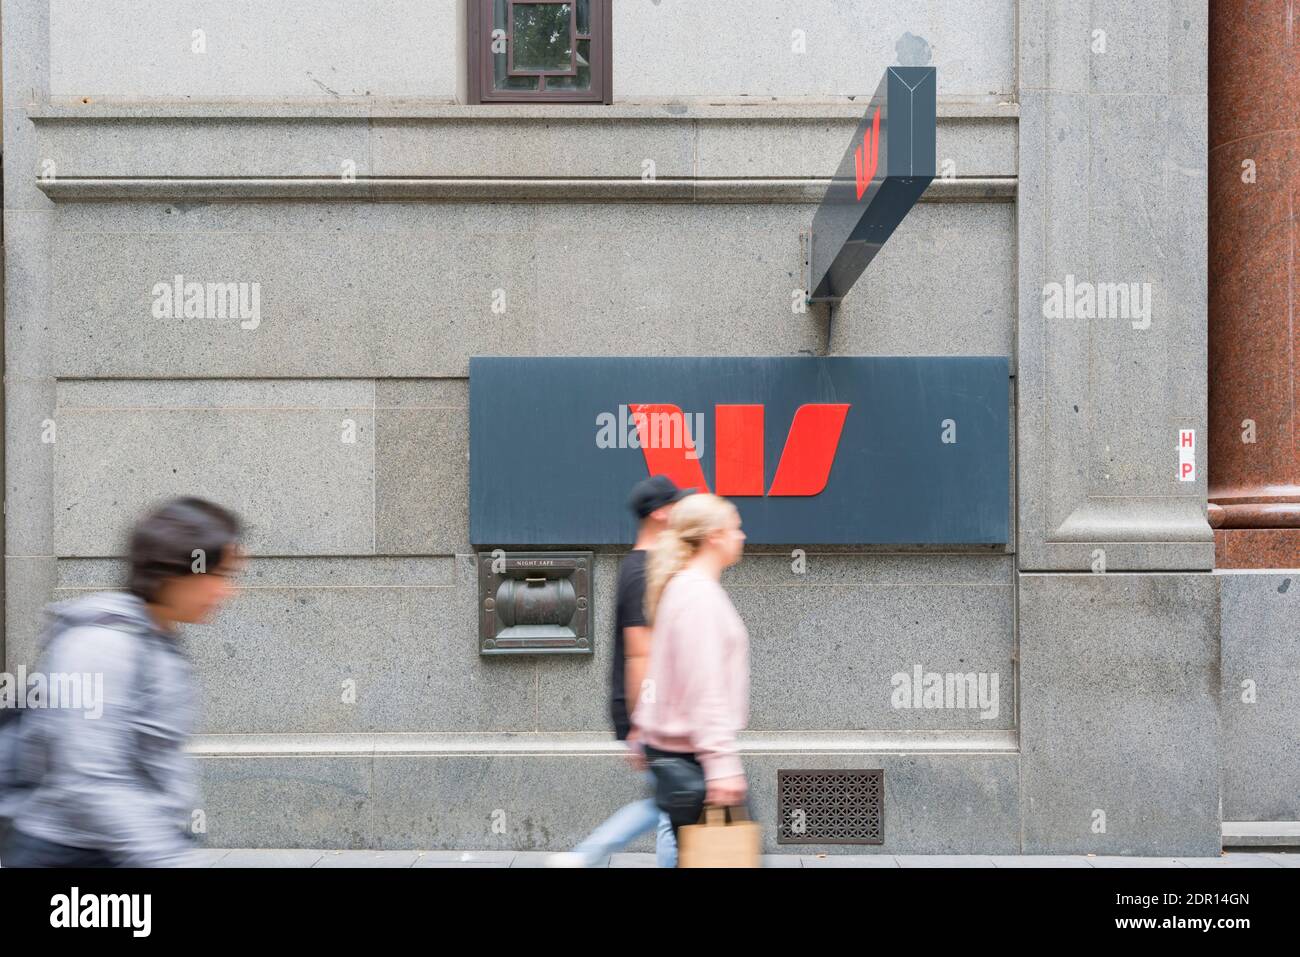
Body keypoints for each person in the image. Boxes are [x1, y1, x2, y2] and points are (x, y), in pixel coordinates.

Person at [0, 497, 243, 868]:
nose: (227, 592)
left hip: (121, 851)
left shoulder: (157, 639)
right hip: (72, 857)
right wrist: (165, 858)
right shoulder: (100, 645)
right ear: (175, 569)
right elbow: (90, 779)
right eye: (219, 575)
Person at [547, 475, 691, 867]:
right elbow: (639, 654)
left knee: (664, 806)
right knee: (671, 812)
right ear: (661, 514)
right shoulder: (643, 571)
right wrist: (642, 723)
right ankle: (582, 857)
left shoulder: (644, 565)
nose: (682, 511)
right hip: (651, 714)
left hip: (655, 712)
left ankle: (583, 857)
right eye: (676, 504)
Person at [635, 493, 750, 851]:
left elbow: (661, 671)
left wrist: (645, 723)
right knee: (720, 855)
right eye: (735, 528)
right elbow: (705, 686)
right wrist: (721, 764)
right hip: (697, 759)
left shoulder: (682, 587)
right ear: (713, 536)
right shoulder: (698, 596)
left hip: (684, 753)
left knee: (689, 851)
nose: (742, 536)